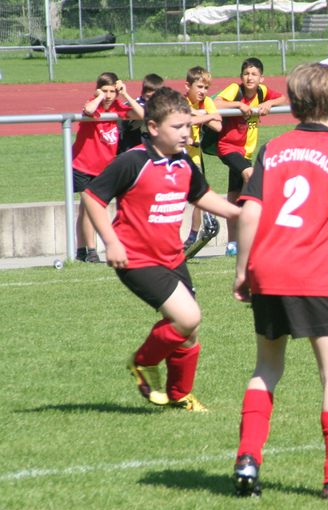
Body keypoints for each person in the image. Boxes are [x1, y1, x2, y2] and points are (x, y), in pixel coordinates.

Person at [231, 63, 328, 500]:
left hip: (267, 270)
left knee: (266, 368)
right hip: (313, 273)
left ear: (293, 106)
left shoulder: (273, 148)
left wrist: (242, 269)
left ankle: (247, 457)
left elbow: (250, 211)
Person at [79, 87, 241, 410]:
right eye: (178, 127)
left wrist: (239, 213)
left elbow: (203, 196)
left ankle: (179, 396)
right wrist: (111, 242)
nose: (186, 133)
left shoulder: (183, 163)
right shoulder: (133, 161)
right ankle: (143, 361)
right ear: (153, 127)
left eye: (188, 126)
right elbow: (92, 198)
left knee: (189, 330)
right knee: (188, 316)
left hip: (173, 258)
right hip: (135, 258)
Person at [212, 58, 288, 256]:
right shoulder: (235, 90)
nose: (250, 77)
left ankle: (232, 244)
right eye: (246, 74)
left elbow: (283, 99)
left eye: (254, 74)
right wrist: (238, 105)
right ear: (241, 76)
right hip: (228, 148)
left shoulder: (262, 92)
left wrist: (270, 103)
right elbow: (215, 103)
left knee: (233, 196)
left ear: (261, 78)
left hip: (246, 152)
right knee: (250, 175)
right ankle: (252, 222)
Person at [72, 72, 146, 263]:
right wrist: (98, 96)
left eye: (112, 91)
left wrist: (125, 94)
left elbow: (142, 115)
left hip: (102, 167)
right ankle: (91, 251)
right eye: (105, 91)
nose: (109, 95)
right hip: (83, 165)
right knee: (90, 208)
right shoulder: (94, 102)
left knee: (85, 209)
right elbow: (89, 110)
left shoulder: (117, 106)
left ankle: (81, 251)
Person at [181, 66, 223, 254]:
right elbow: (184, 120)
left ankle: (193, 235)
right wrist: (204, 115)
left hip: (194, 154)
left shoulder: (207, 102)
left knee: (200, 193)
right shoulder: (181, 101)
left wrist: (202, 115)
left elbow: (218, 126)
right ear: (187, 86)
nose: (203, 91)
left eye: (206, 88)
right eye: (199, 87)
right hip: (176, 154)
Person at [117, 73, 164, 155]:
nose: (152, 100)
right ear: (142, 93)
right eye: (149, 96)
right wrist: (125, 94)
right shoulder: (137, 104)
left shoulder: (162, 104)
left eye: (155, 96)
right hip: (130, 147)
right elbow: (143, 114)